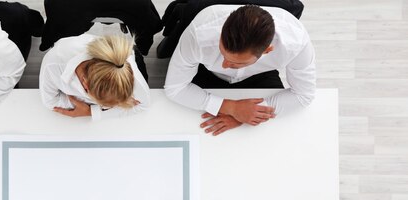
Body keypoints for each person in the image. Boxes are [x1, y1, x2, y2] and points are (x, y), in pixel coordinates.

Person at [164, 4, 315, 136]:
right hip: (205, 71)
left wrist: (249, 114)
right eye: (222, 53)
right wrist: (231, 108)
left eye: (236, 63)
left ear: (267, 51)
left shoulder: (296, 42)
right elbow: (175, 88)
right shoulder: (199, 34)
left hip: (260, 75)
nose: (224, 65)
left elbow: (304, 95)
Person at [39, 33, 151, 120]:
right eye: (106, 106)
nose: (108, 108)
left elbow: (144, 104)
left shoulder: (125, 70)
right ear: (85, 84)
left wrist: (91, 112)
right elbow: (50, 102)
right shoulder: (52, 67)